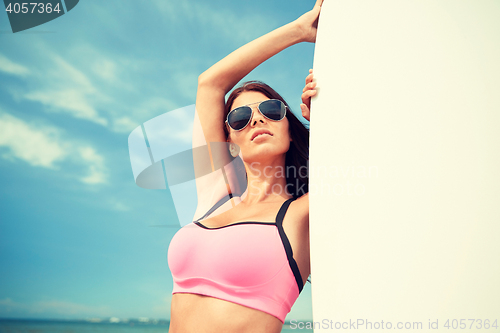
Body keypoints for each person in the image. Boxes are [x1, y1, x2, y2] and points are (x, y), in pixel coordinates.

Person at [167, 1, 322, 332]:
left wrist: (325, 122)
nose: (256, 119)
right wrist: (298, 30)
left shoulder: (304, 213)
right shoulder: (215, 194)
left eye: (270, 109)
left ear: (291, 130)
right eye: (240, 117)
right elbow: (210, 84)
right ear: (230, 143)